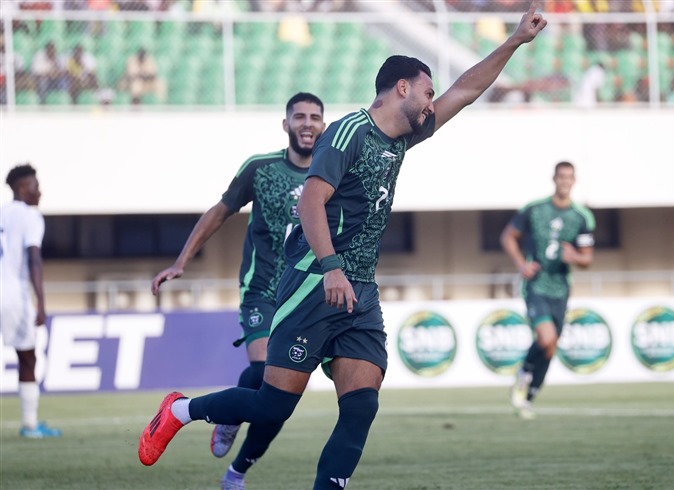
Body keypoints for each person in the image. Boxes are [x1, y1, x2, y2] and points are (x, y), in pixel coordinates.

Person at [138, 4, 547, 489]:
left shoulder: (404, 137)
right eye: (427, 92)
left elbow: (466, 91)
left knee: (361, 405)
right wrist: (331, 266)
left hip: (360, 291)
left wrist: (514, 41)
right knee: (273, 405)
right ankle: (180, 410)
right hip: (314, 281)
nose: (433, 102)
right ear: (402, 88)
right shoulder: (348, 132)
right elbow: (311, 202)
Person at [150, 92, 326, 490]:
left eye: (314, 117)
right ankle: (228, 416)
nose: (307, 123)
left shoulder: (331, 173)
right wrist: (181, 261)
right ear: (286, 124)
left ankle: (237, 472)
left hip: (304, 296)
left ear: (324, 126)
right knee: (265, 374)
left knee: (281, 397)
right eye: (299, 116)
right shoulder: (261, 168)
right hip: (262, 289)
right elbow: (220, 211)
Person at [502, 161, 595, 420]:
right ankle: (523, 373)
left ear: (574, 181)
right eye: (561, 176)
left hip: (561, 288)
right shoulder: (535, 209)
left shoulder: (581, 217)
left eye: (569, 177)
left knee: (551, 346)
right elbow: (508, 236)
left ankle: (529, 397)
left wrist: (575, 257)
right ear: (554, 178)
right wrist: (521, 264)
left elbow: (587, 258)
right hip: (536, 285)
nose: (565, 181)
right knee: (546, 338)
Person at [0, 164, 61, 439]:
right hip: (13, 293)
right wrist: (41, 302)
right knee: (27, 357)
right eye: (35, 186)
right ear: (22, 188)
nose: (40, 191)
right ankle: (30, 425)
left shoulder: (2, 212)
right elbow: (34, 259)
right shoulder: (30, 216)